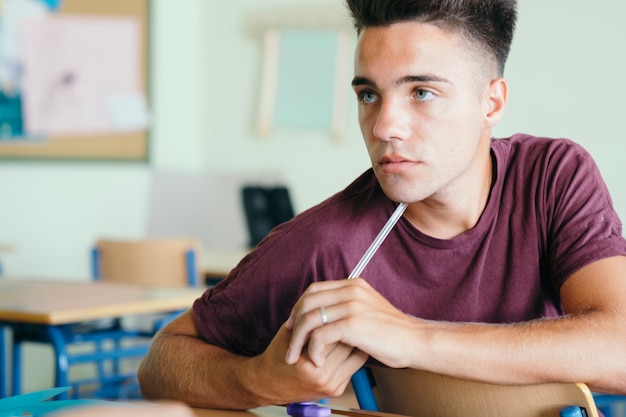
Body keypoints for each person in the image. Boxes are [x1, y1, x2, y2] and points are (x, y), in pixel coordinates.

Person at [138, 0, 626, 410]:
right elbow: (161, 363)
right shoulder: (328, 243)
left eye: (421, 92)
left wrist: (410, 337)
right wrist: (259, 379)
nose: (383, 126)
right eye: (369, 94)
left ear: (491, 103)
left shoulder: (552, 177)